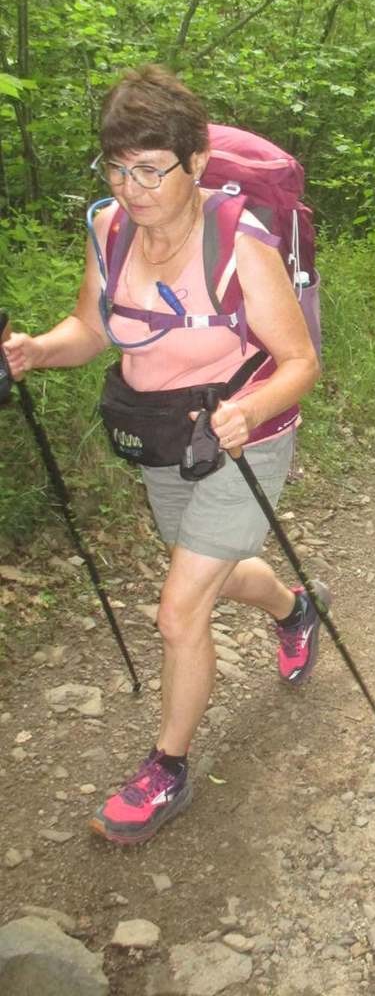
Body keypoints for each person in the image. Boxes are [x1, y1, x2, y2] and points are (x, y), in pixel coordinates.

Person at [1, 65, 321, 845]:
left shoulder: (241, 246)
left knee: (178, 611)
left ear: (197, 162)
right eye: (117, 166)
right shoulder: (109, 229)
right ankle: (296, 608)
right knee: (207, 572)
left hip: (245, 444)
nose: (133, 187)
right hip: (162, 438)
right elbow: (94, 330)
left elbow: (302, 361)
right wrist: (37, 351)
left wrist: (247, 408)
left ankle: (166, 771)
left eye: (151, 168)